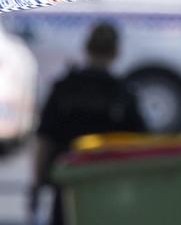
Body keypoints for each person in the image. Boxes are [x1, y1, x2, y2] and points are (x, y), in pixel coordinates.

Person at [30, 22, 147, 225]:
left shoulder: (64, 88)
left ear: (86, 48)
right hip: (113, 189)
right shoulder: (123, 94)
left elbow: (44, 140)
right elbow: (142, 148)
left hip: (68, 186)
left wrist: (38, 183)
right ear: (116, 52)